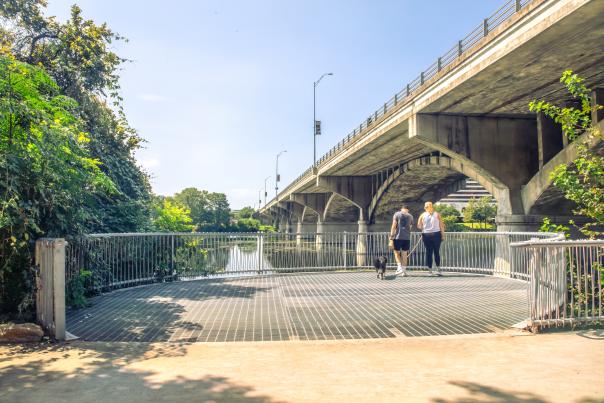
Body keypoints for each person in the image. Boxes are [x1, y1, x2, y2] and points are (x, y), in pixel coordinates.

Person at [417, 201, 445, 276]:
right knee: (429, 252)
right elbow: (418, 225)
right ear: (424, 207)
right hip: (426, 235)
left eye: (429, 206)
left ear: (432, 206)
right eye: (426, 206)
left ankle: (439, 270)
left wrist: (442, 235)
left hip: (436, 234)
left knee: (436, 252)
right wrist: (422, 227)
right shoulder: (422, 215)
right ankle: (430, 271)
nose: (427, 207)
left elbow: (441, 225)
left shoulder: (437, 214)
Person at [389, 205, 414, 277]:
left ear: (401, 209)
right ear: (408, 210)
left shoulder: (397, 214)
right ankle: (404, 271)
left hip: (398, 237)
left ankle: (399, 268)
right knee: (404, 254)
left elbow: (394, 226)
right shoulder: (410, 216)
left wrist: (391, 237)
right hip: (407, 238)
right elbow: (410, 227)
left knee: (396, 252)